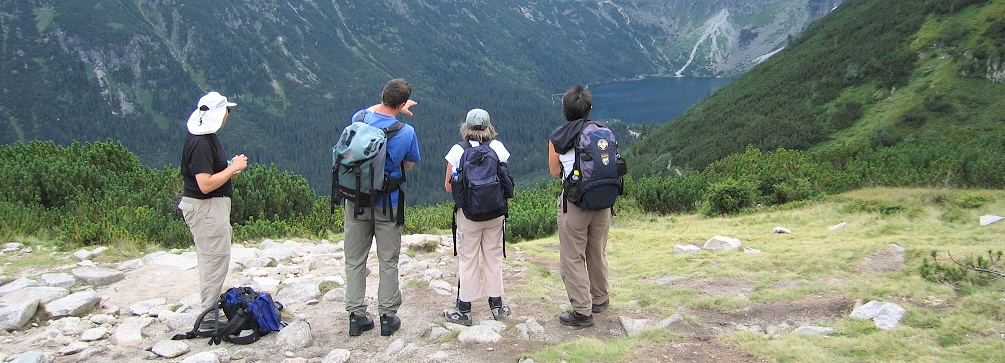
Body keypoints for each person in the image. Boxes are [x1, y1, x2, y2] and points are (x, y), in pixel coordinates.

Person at [343, 78, 421, 337]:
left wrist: (393, 104)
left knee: (355, 259)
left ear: (382, 96)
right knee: (388, 260)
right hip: (389, 203)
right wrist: (399, 111)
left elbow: (370, 111)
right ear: (401, 104)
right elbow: (408, 165)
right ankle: (387, 318)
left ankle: (356, 317)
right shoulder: (406, 132)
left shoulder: (360, 117)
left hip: (356, 200)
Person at [177, 91, 248, 317]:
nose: (229, 114)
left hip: (207, 207)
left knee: (213, 258)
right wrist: (232, 167)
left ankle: (210, 311)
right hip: (206, 208)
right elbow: (205, 184)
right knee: (214, 260)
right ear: (221, 114)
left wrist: (227, 169)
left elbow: (207, 173)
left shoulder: (203, 136)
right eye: (227, 110)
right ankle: (208, 317)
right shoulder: (201, 143)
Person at [547, 85, 611, 327]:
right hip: (603, 199)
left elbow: (555, 172)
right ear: (589, 109)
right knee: (597, 250)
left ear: (565, 111)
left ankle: (582, 312)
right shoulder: (602, 131)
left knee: (573, 256)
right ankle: (601, 299)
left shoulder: (558, 138)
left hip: (574, 203)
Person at [442, 109, 512, 326]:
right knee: (493, 256)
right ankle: (497, 304)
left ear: (467, 127)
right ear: (489, 127)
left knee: (468, 257)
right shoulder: (497, 148)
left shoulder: (457, 151)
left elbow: (448, 186)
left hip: (469, 215)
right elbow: (504, 178)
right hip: (495, 213)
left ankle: (464, 309)